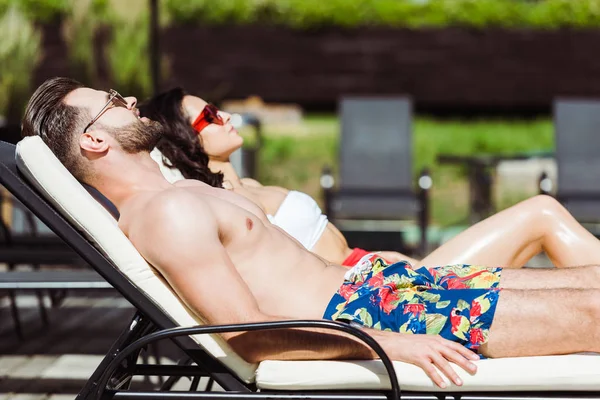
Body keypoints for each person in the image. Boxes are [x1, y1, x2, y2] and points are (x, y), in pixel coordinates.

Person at [22, 78, 600, 390]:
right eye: (113, 104)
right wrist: (390, 344)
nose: (127, 101)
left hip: (383, 286)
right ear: (94, 142)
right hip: (375, 316)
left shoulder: (180, 192)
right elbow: (249, 336)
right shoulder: (164, 215)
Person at [140, 88, 600, 269]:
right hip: (376, 290)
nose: (227, 116)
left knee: (542, 234)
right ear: (188, 138)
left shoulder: (251, 189)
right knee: (541, 214)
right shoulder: (211, 203)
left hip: (383, 268)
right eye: (210, 116)